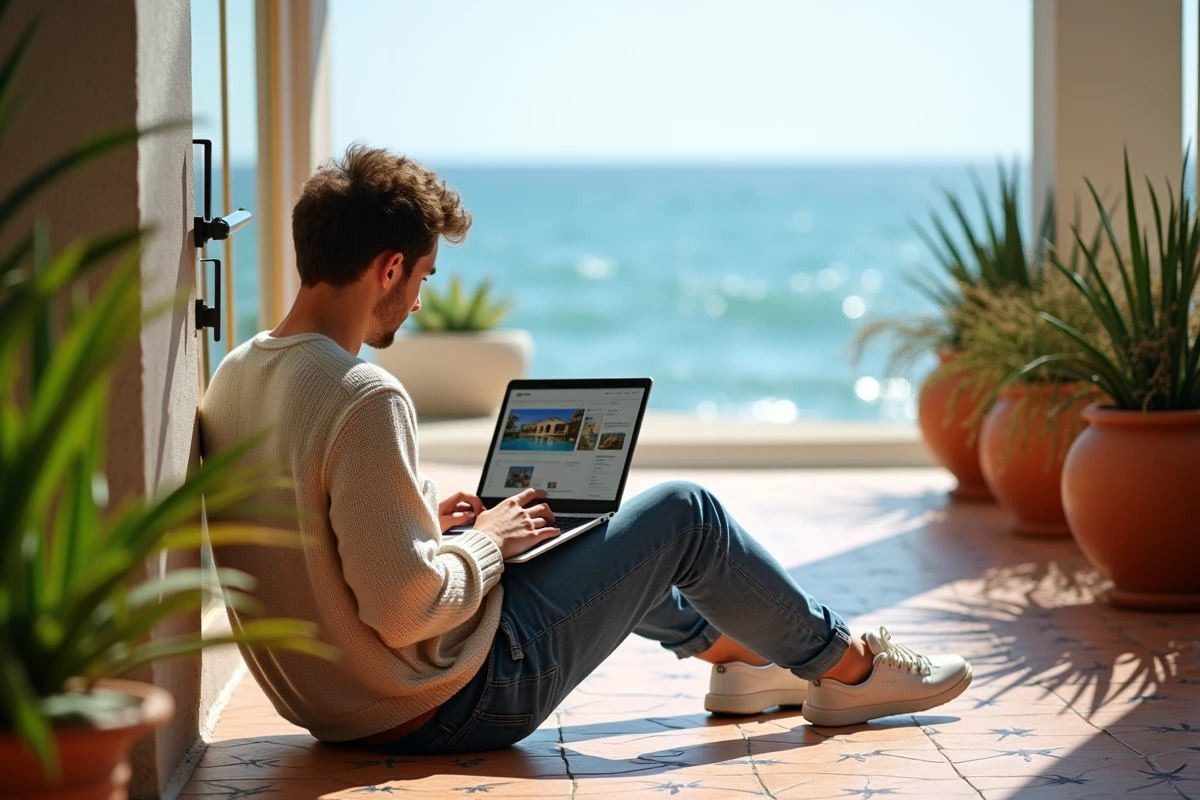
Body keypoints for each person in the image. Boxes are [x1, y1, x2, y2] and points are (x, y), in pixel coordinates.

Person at [199, 144, 972, 755]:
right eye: (425, 274)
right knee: (685, 515)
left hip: (332, 706)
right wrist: (484, 545)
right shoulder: (363, 394)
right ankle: (850, 669)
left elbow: (314, 536)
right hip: (439, 704)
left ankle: (743, 656)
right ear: (390, 267)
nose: (422, 298)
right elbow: (405, 613)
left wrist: (429, 527)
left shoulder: (236, 374)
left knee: (568, 530)